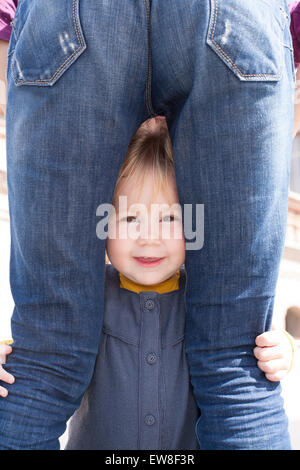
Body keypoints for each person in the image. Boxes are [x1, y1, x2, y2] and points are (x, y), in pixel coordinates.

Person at [0, 0, 296, 449]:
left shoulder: (184, 293)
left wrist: (284, 350)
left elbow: (43, 355)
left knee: (46, 361)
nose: (150, 235)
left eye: (172, 218)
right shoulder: (99, 296)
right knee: (235, 365)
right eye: (130, 218)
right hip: (235, 15)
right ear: (98, 220)